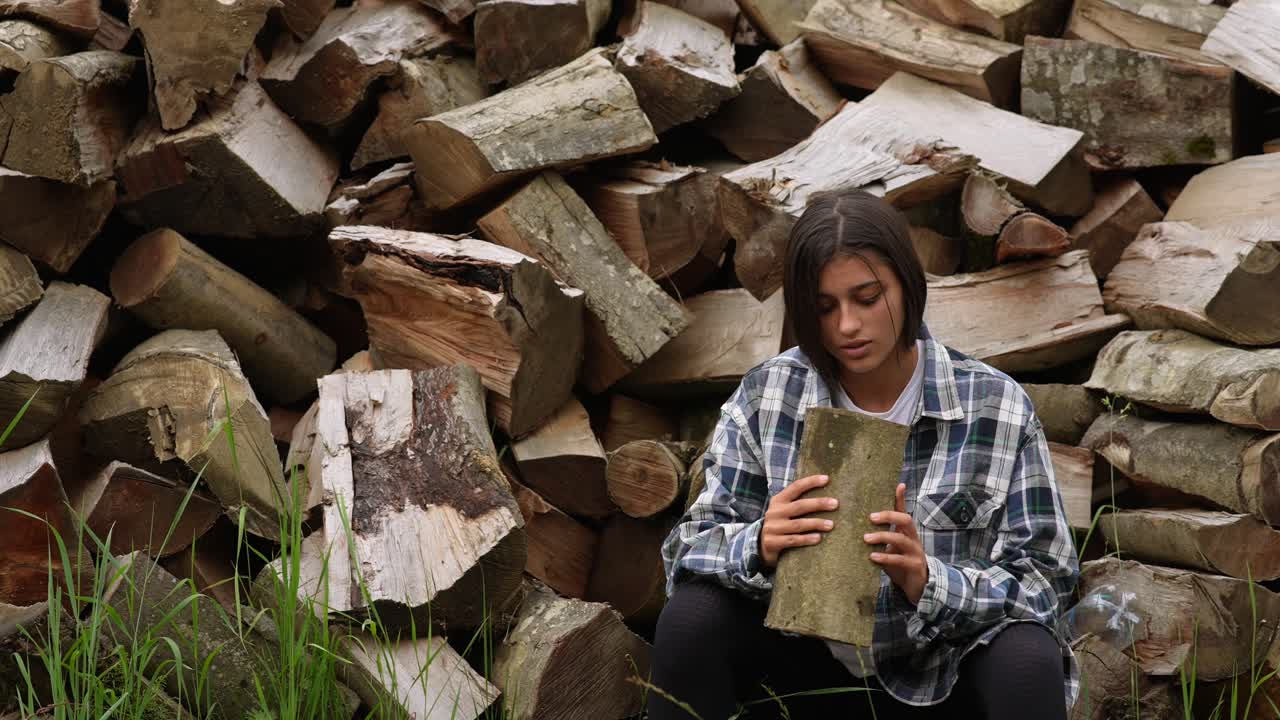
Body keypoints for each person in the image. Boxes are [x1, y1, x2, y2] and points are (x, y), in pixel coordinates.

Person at [648, 189, 1079, 720]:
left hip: (938, 672)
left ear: (906, 284)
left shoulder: (993, 405)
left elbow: (1047, 582)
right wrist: (757, 542)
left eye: (867, 298)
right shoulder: (769, 396)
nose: (847, 326)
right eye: (824, 307)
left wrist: (930, 581)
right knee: (691, 621)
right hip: (799, 665)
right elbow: (685, 552)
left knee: (1027, 659)